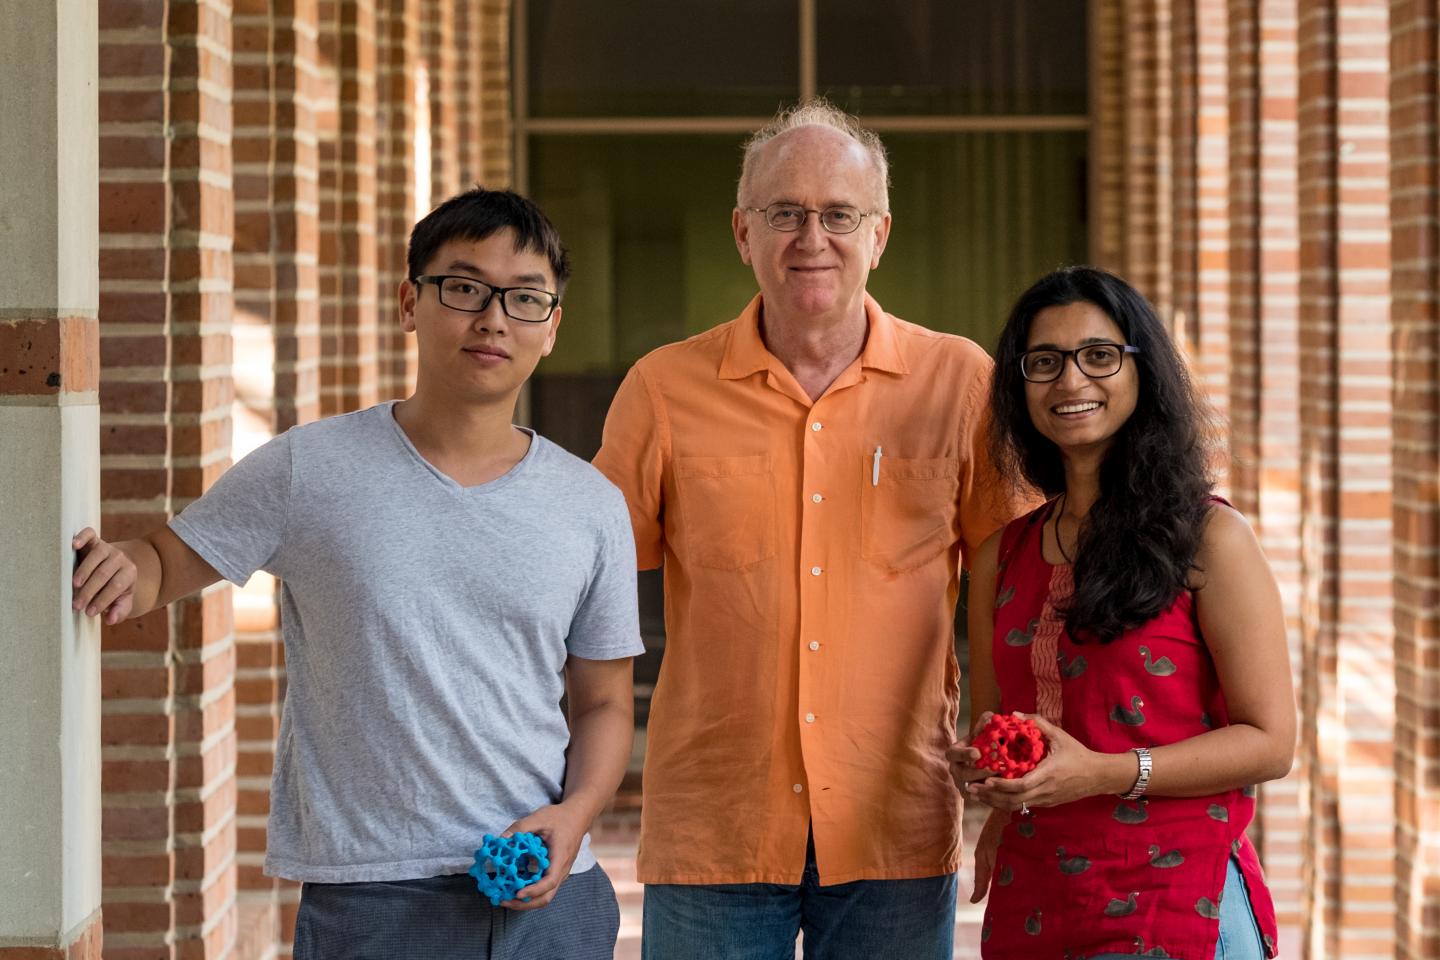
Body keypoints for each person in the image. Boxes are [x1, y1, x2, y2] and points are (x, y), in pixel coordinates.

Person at [70, 188, 643, 960]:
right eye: (465, 287)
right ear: (411, 301)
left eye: (525, 298)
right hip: (375, 899)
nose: (493, 318)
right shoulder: (313, 469)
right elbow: (163, 562)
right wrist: (109, 566)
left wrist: (576, 817)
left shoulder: (589, 504)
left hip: (548, 895)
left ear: (551, 329)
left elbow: (605, 702)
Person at [593, 98, 1031, 959]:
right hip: (715, 823)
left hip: (893, 820)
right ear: (742, 233)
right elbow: (588, 580)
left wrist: (1015, 772)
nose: (811, 238)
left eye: (839, 214)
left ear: (880, 235)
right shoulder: (663, 389)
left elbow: (1015, 583)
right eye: (784, 213)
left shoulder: (960, 382)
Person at [949, 266, 1295, 959]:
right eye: (1043, 363)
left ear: (1144, 372)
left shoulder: (1210, 539)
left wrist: (1105, 773)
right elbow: (998, 727)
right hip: (1038, 898)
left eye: (1099, 356)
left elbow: (1270, 742)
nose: (1071, 382)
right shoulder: (1001, 555)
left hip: (1176, 899)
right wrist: (981, 769)